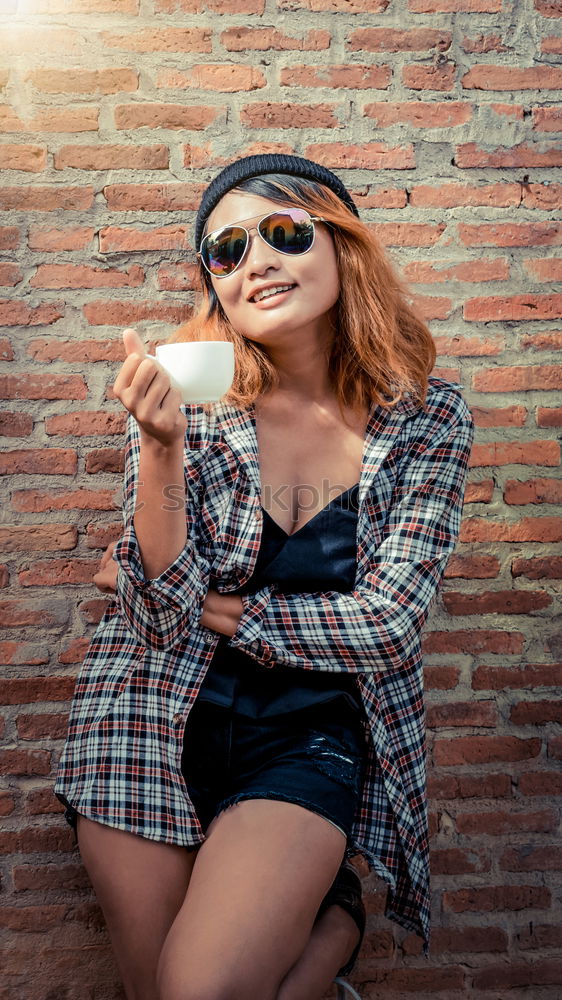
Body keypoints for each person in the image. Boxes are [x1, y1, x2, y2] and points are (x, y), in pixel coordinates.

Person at [54, 153, 474, 1000]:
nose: (258, 261)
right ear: (215, 285)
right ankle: (333, 937)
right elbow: (160, 621)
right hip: (148, 718)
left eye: (284, 232)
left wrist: (212, 606)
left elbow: (387, 626)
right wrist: (160, 446)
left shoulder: (428, 417)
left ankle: (331, 928)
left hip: (306, 738)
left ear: (342, 245)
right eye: (228, 250)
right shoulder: (191, 400)